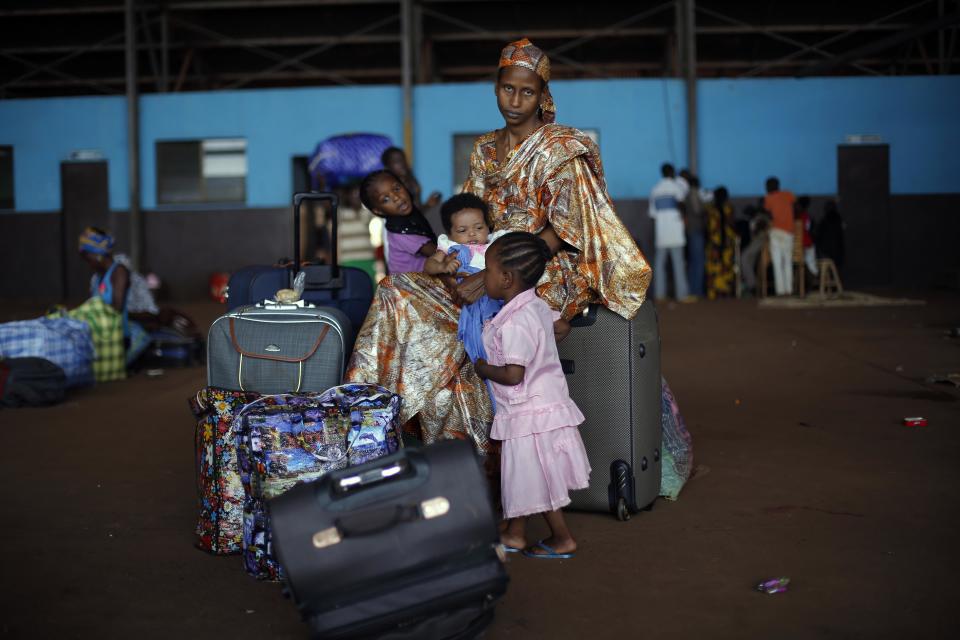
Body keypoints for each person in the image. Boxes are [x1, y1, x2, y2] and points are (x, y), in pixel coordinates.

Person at [345, 38, 651, 457]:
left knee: (475, 332)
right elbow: (470, 214)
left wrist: (496, 274)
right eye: (508, 88)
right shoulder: (485, 150)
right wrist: (451, 257)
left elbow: (565, 230)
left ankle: (475, 459)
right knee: (394, 291)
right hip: (482, 258)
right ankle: (367, 419)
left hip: (537, 266)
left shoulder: (560, 150)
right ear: (496, 87)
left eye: (528, 92)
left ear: (543, 96)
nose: (516, 100)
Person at [474, 232, 590, 559]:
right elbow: (559, 328)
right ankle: (515, 533)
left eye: (487, 270)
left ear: (507, 278)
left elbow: (513, 375)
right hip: (541, 406)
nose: (483, 277)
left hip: (530, 412)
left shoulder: (514, 323)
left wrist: (483, 368)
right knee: (524, 474)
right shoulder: (536, 306)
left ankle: (562, 538)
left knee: (541, 479)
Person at [425, 193, 509, 405]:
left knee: (507, 349)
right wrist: (443, 266)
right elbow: (429, 265)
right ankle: (495, 400)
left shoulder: (496, 244)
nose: (472, 234)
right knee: (484, 351)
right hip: (474, 310)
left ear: (488, 227)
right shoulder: (451, 248)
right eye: (462, 231)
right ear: (450, 233)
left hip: (500, 305)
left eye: (478, 228)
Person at [78, 227, 156, 365]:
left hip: (120, 336)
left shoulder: (119, 272)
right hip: (105, 333)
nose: (86, 261)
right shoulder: (96, 279)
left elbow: (117, 308)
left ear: (98, 254)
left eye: (87, 256)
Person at [359, 169, 437, 275]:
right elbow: (436, 253)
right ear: (378, 211)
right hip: (409, 288)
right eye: (385, 199)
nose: (396, 197)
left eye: (397, 188)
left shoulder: (411, 217)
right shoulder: (401, 233)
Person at [648, 163, 692, 302]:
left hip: (662, 233)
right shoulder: (677, 188)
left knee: (660, 264)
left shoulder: (655, 190)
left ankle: (660, 295)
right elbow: (682, 204)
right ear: (672, 172)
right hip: (676, 232)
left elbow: (652, 214)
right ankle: (682, 295)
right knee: (678, 263)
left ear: (662, 173)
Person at [763, 176, 796, 295]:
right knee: (787, 262)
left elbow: (767, 212)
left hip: (776, 232)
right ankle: (789, 289)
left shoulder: (768, 198)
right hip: (789, 233)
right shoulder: (788, 194)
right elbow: (795, 206)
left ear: (768, 187)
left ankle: (781, 291)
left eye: (766, 186)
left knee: (777, 263)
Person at [381, 146, 441, 210]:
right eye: (397, 161)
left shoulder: (411, 180)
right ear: (387, 167)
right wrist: (428, 205)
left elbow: (418, 209)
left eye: (403, 159)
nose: (402, 163)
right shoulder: (389, 189)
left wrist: (429, 204)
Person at [704, 186, 737, 299]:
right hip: (725, 243)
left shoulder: (710, 209)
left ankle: (713, 293)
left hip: (714, 244)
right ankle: (725, 293)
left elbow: (708, 228)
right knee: (726, 268)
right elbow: (732, 225)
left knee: (714, 269)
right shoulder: (728, 209)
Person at [682, 172, 707, 298]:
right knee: (698, 261)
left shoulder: (687, 194)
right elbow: (698, 210)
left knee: (693, 262)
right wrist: (706, 206)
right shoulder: (694, 193)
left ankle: (693, 290)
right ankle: (697, 291)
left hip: (691, 230)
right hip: (696, 230)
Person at [814, 200, 845, 269]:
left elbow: (817, 237)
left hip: (826, 255)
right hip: (837, 257)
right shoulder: (839, 221)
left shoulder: (824, 222)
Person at [794, 195, 818, 277]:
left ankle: (814, 282)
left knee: (811, 266)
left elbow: (807, 230)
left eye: (796, 205)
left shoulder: (805, 216)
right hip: (800, 246)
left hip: (807, 245)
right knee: (804, 266)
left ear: (801, 206)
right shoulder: (797, 217)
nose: (794, 207)